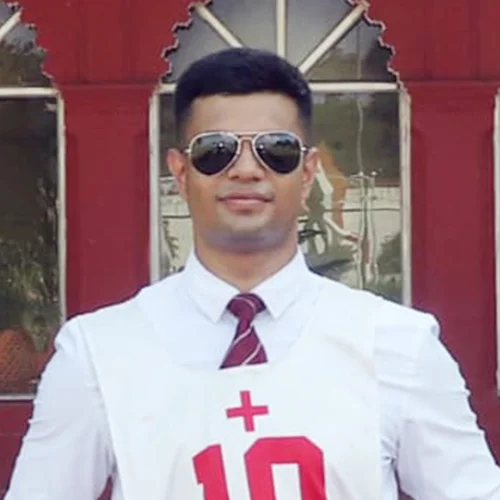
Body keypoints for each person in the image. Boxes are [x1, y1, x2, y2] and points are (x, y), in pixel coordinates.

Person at [6, 47, 500, 500]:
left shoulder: (398, 344)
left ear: (307, 173)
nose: (246, 169)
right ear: (180, 173)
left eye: (276, 150)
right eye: (215, 150)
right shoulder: (98, 353)